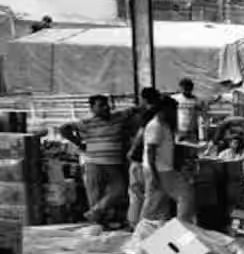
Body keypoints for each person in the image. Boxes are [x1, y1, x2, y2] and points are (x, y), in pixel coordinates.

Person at [59, 95, 139, 226]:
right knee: (95, 196)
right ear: (92, 108)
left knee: (120, 190)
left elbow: (135, 110)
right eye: (101, 105)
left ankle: (96, 212)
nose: (106, 107)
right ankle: (98, 225)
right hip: (93, 163)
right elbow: (63, 129)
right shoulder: (86, 123)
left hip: (113, 164)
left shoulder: (119, 117)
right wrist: (79, 143)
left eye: (106, 104)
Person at [142, 97, 195, 223]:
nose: (175, 112)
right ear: (164, 109)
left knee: (159, 203)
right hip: (160, 170)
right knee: (185, 194)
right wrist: (154, 175)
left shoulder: (164, 124)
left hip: (163, 169)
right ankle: (182, 225)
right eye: (173, 109)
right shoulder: (155, 126)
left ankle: (158, 228)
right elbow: (150, 152)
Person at [126, 87, 162, 227]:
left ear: (144, 99)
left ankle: (136, 224)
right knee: (148, 194)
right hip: (151, 160)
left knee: (137, 193)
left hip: (140, 159)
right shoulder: (160, 114)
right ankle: (143, 225)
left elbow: (140, 134)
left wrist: (132, 150)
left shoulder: (148, 114)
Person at [172, 78, 202, 143]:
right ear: (180, 88)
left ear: (192, 88)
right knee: (179, 147)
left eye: (188, 88)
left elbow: (200, 114)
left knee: (191, 148)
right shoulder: (175, 98)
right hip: (179, 131)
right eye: (184, 88)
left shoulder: (196, 100)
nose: (186, 90)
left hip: (192, 131)